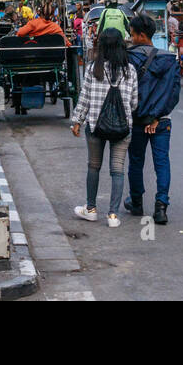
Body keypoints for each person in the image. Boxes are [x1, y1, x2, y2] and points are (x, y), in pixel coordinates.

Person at [70, 28, 138, 228]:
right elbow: (134, 103)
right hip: (122, 128)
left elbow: (84, 98)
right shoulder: (130, 70)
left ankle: (90, 209)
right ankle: (113, 215)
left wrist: (77, 121)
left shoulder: (93, 68)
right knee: (117, 170)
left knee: (93, 166)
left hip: (95, 125)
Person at [126, 12, 180, 225]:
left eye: (132, 34)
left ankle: (137, 201)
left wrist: (146, 116)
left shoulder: (130, 58)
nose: (130, 37)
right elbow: (173, 94)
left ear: (140, 35)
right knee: (162, 162)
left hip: (138, 119)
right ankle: (161, 206)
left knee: (136, 162)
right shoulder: (169, 58)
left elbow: (126, 90)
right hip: (162, 120)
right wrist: (157, 117)